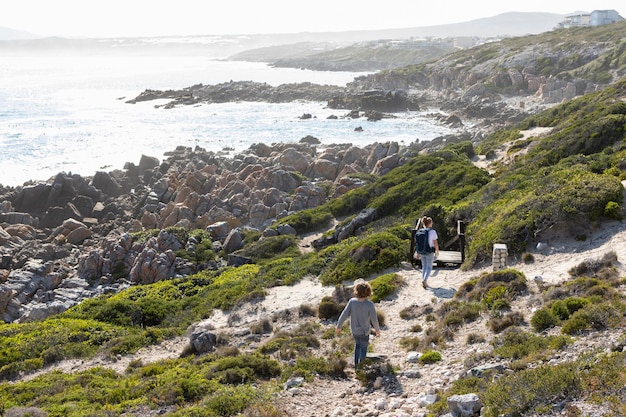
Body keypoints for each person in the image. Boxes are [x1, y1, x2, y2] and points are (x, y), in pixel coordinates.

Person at [335, 279, 381, 367]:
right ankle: (361, 368)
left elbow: (344, 315)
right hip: (364, 332)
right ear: (368, 291)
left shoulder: (352, 302)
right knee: (363, 349)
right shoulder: (370, 304)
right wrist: (377, 330)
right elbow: (374, 319)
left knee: (357, 346)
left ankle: (356, 365)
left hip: (354, 331)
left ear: (356, 291)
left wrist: (338, 326)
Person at [415, 216, 439, 289]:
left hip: (421, 252)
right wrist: (437, 250)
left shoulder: (420, 232)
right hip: (429, 251)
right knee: (429, 267)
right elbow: (435, 243)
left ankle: (424, 281)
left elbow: (418, 243)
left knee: (424, 266)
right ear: (430, 223)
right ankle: (424, 280)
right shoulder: (432, 232)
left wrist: (418, 252)